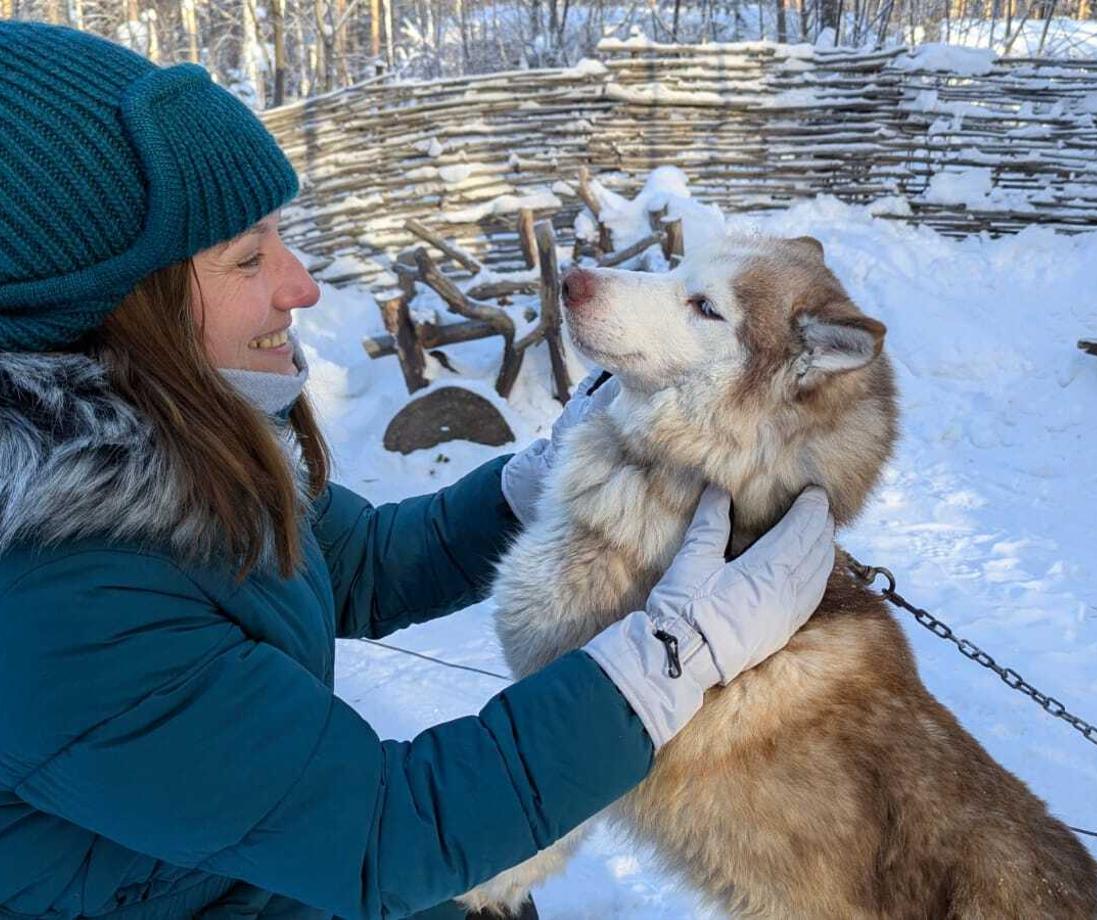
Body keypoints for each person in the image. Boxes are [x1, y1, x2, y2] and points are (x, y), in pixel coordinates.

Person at [0, 22, 836, 920]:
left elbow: (356, 562)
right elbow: (385, 833)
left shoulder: (167, 437)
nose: (301, 285)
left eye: (281, 235)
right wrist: (674, 656)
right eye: (248, 258)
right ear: (101, 312)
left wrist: (537, 478)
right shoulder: (57, 600)